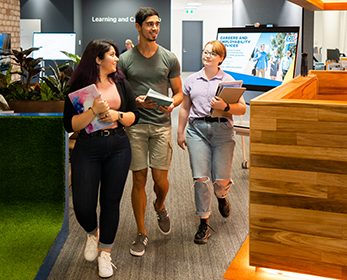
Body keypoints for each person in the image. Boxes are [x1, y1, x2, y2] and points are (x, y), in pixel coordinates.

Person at [63, 39, 139, 278]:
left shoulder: (121, 82)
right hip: (88, 145)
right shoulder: (79, 87)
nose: (117, 59)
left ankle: (105, 253)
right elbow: (70, 125)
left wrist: (117, 114)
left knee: (110, 202)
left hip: (118, 144)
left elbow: (134, 116)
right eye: (112, 55)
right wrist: (93, 111)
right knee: (83, 205)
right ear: (98, 59)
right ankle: (92, 232)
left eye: (117, 55)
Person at [118, 7, 183, 257]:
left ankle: (160, 204)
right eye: (149, 24)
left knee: (160, 181)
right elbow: (120, 95)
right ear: (138, 27)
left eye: (157, 24)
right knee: (139, 179)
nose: (154, 28)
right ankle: (141, 232)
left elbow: (178, 92)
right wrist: (135, 102)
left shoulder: (169, 58)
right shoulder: (125, 60)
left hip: (161, 125)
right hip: (135, 126)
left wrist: (172, 104)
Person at [177, 40, 246, 244]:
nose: (207, 56)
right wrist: (180, 132)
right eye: (205, 52)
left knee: (221, 180)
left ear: (221, 58)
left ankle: (222, 196)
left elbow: (241, 109)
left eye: (213, 53)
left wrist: (225, 106)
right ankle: (204, 222)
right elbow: (184, 108)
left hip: (222, 132)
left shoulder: (229, 80)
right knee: (200, 178)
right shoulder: (191, 80)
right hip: (196, 130)